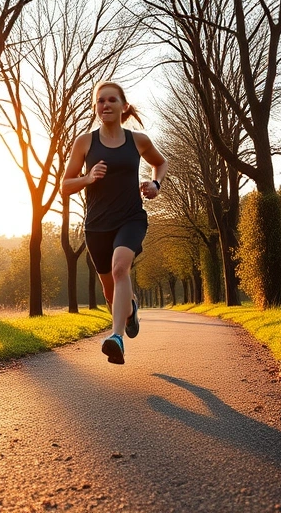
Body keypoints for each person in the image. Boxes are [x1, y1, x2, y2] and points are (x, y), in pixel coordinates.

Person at [62, 81, 168, 365]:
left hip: (130, 218)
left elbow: (161, 162)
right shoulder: (85, 142)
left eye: (111, 100)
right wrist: (87, 178)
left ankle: (116, 336)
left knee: (120, 267)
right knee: (110, 291)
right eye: (100, 101)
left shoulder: (138, 140)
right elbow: (65, 185)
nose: (105, 105)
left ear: (123, 106)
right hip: (96, 225)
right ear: (96, 108)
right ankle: (130, 311)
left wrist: (156, 184)